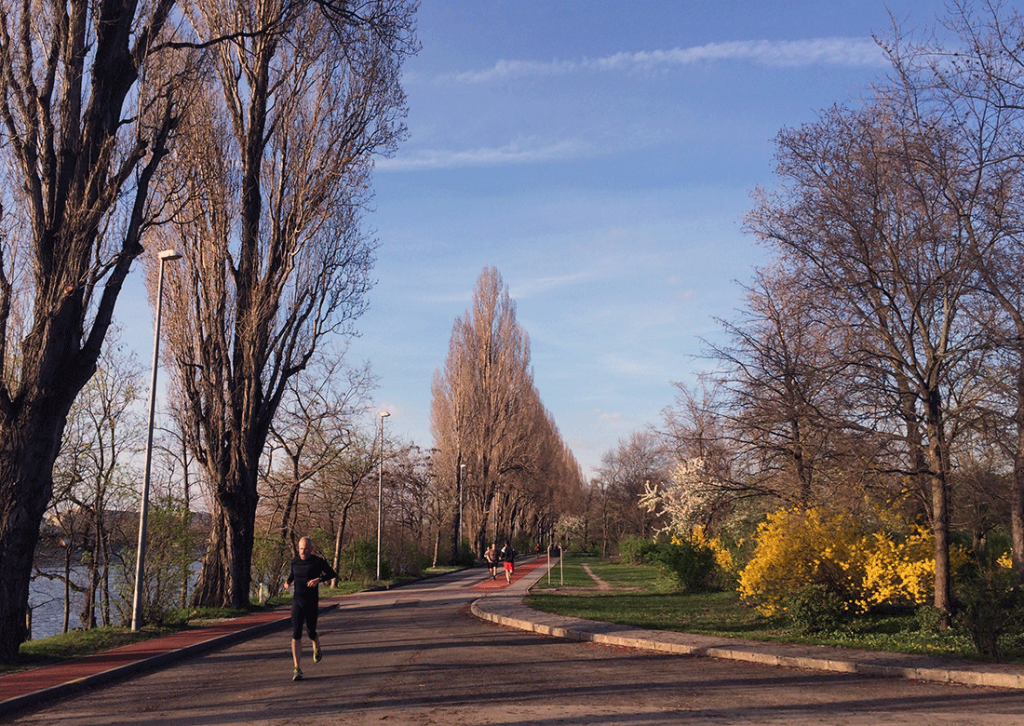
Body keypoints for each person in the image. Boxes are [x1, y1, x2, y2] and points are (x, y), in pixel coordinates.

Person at [286, 537, 337, 681]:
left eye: (306, 549)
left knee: (310, 632)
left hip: (311, 601)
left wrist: (318, 580)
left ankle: (316, 642)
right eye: (301, 549)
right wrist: (287, 582)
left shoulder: (317, 561)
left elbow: (332, 574)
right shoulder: (294, 561)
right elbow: (292, 575)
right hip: (297, 600)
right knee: (296, 633)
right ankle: (297, 668)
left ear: (311, 549)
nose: (303, 552)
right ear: (298, 548)